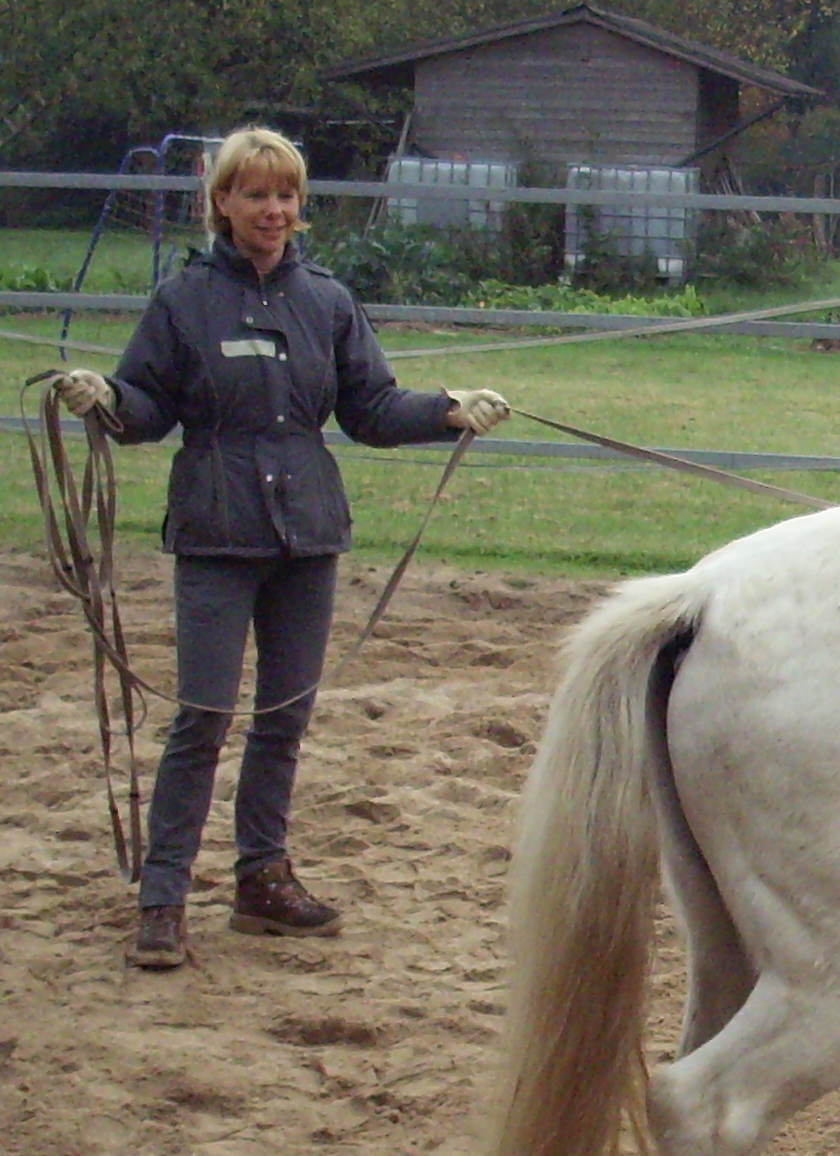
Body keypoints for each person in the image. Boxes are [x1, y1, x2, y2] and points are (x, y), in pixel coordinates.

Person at [51, 126, 512, 971]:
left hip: (308, 533)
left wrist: (447, 409)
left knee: (283, 716)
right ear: (222, 202)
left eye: (287, 195)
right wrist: (103, 398)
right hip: (216, 534)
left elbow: (370, 408)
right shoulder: (181, 300)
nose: (274, 210)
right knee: (204, 716)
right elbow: (146, 409)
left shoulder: (328, 301)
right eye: (257, 194)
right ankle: (163, 897)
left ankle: (262, 878)